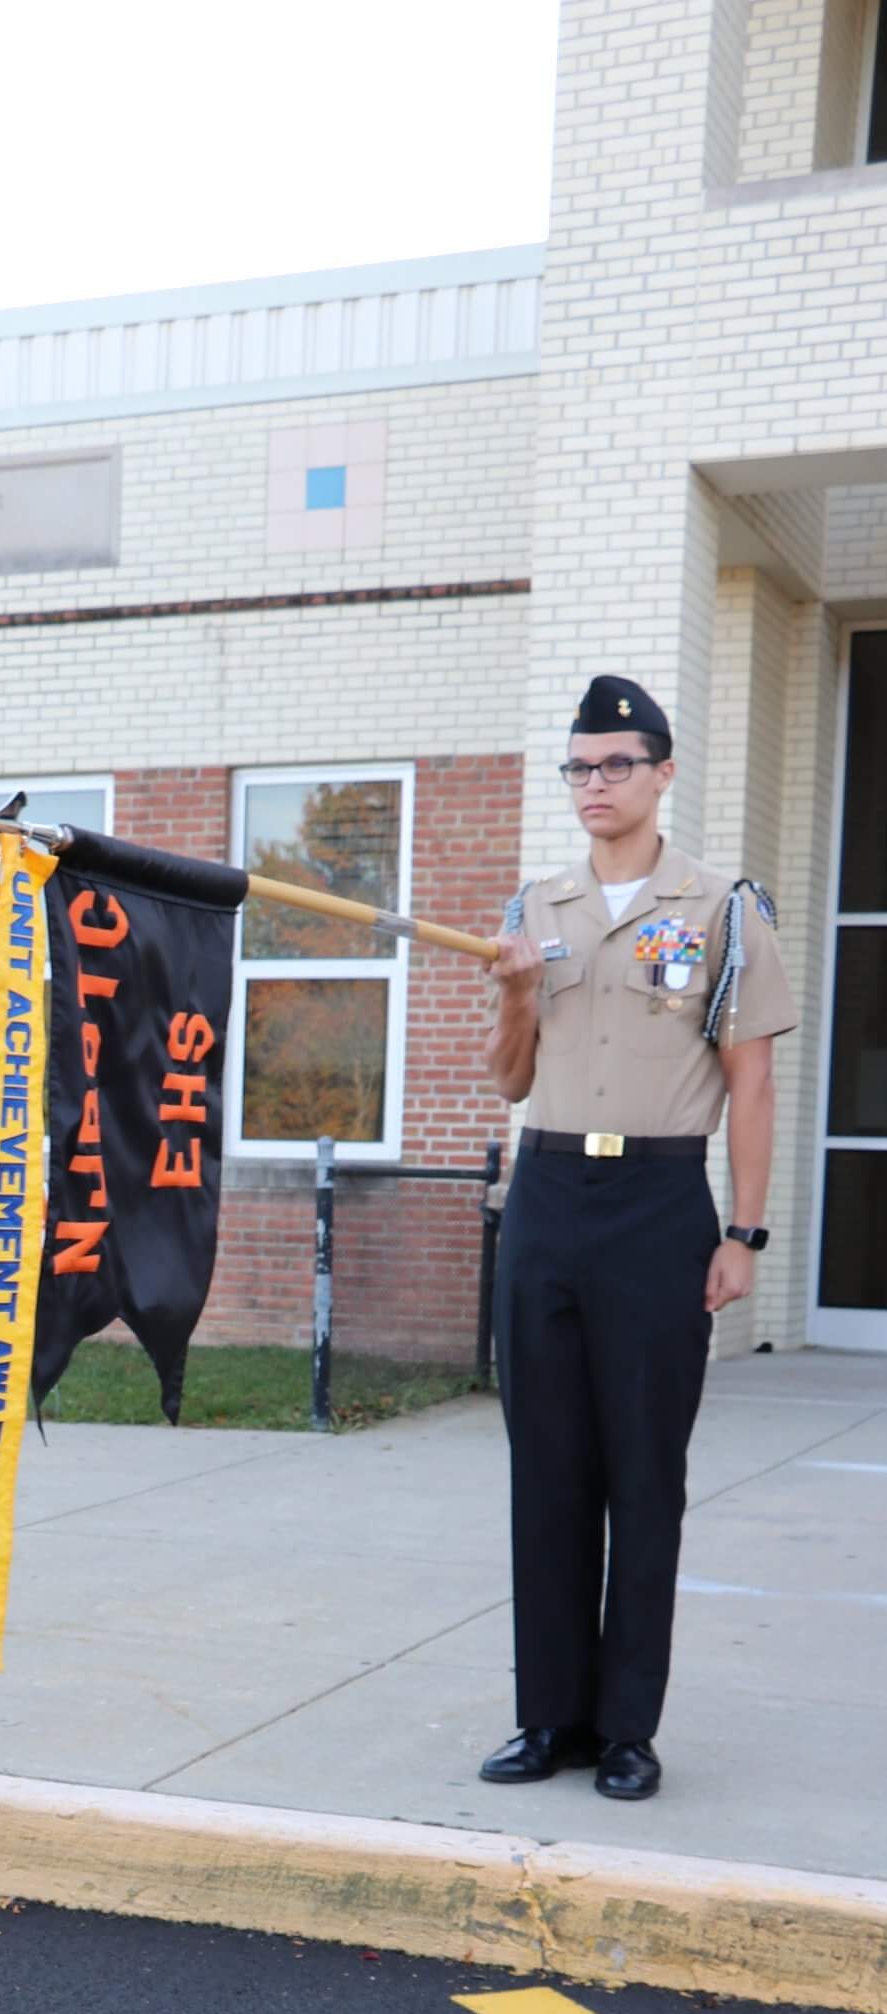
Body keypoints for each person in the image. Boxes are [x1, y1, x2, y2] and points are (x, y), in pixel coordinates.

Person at [477, 676, 796, 1802]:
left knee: (643, 1471)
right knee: (547, 1471)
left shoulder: (718, 909)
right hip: (549, 1196)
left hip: (660, 1205)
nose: (593, 785)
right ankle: (547, 1718)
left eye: (615, 764)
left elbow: (750, 1081)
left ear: (662, 773)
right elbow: (511, 1076)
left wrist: (744, 1233)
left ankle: (625, 1730)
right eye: (577, 766)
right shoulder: (537, 907)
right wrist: (514, 994)